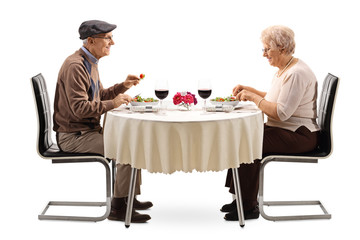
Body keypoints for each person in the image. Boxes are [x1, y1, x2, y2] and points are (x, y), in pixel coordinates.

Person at [53, 20, 152, 223]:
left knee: (132, 140)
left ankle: (128, 196)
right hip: (74, 136)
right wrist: (114, 103)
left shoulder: (88, 62)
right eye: (108, 38)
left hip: (86, 131)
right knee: (126, 147)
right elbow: (80, 109)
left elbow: (97, 96)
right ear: (90, 41)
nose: (112, 43)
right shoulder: (76, 66)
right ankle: (118, 207)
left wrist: (122, 86)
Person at [221, 25, 320, 221]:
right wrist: (249, 90)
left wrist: (252, 97)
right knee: (242, 135)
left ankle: (248, 206)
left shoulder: (296, 73)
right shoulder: (286, 68)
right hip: (289, 130)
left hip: (300, 135)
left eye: (268, 49)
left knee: (248, 142)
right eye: (264, 49)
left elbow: (281, 112)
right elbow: (276, 98)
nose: (264, 54)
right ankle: (241, 197)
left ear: (282, 48)